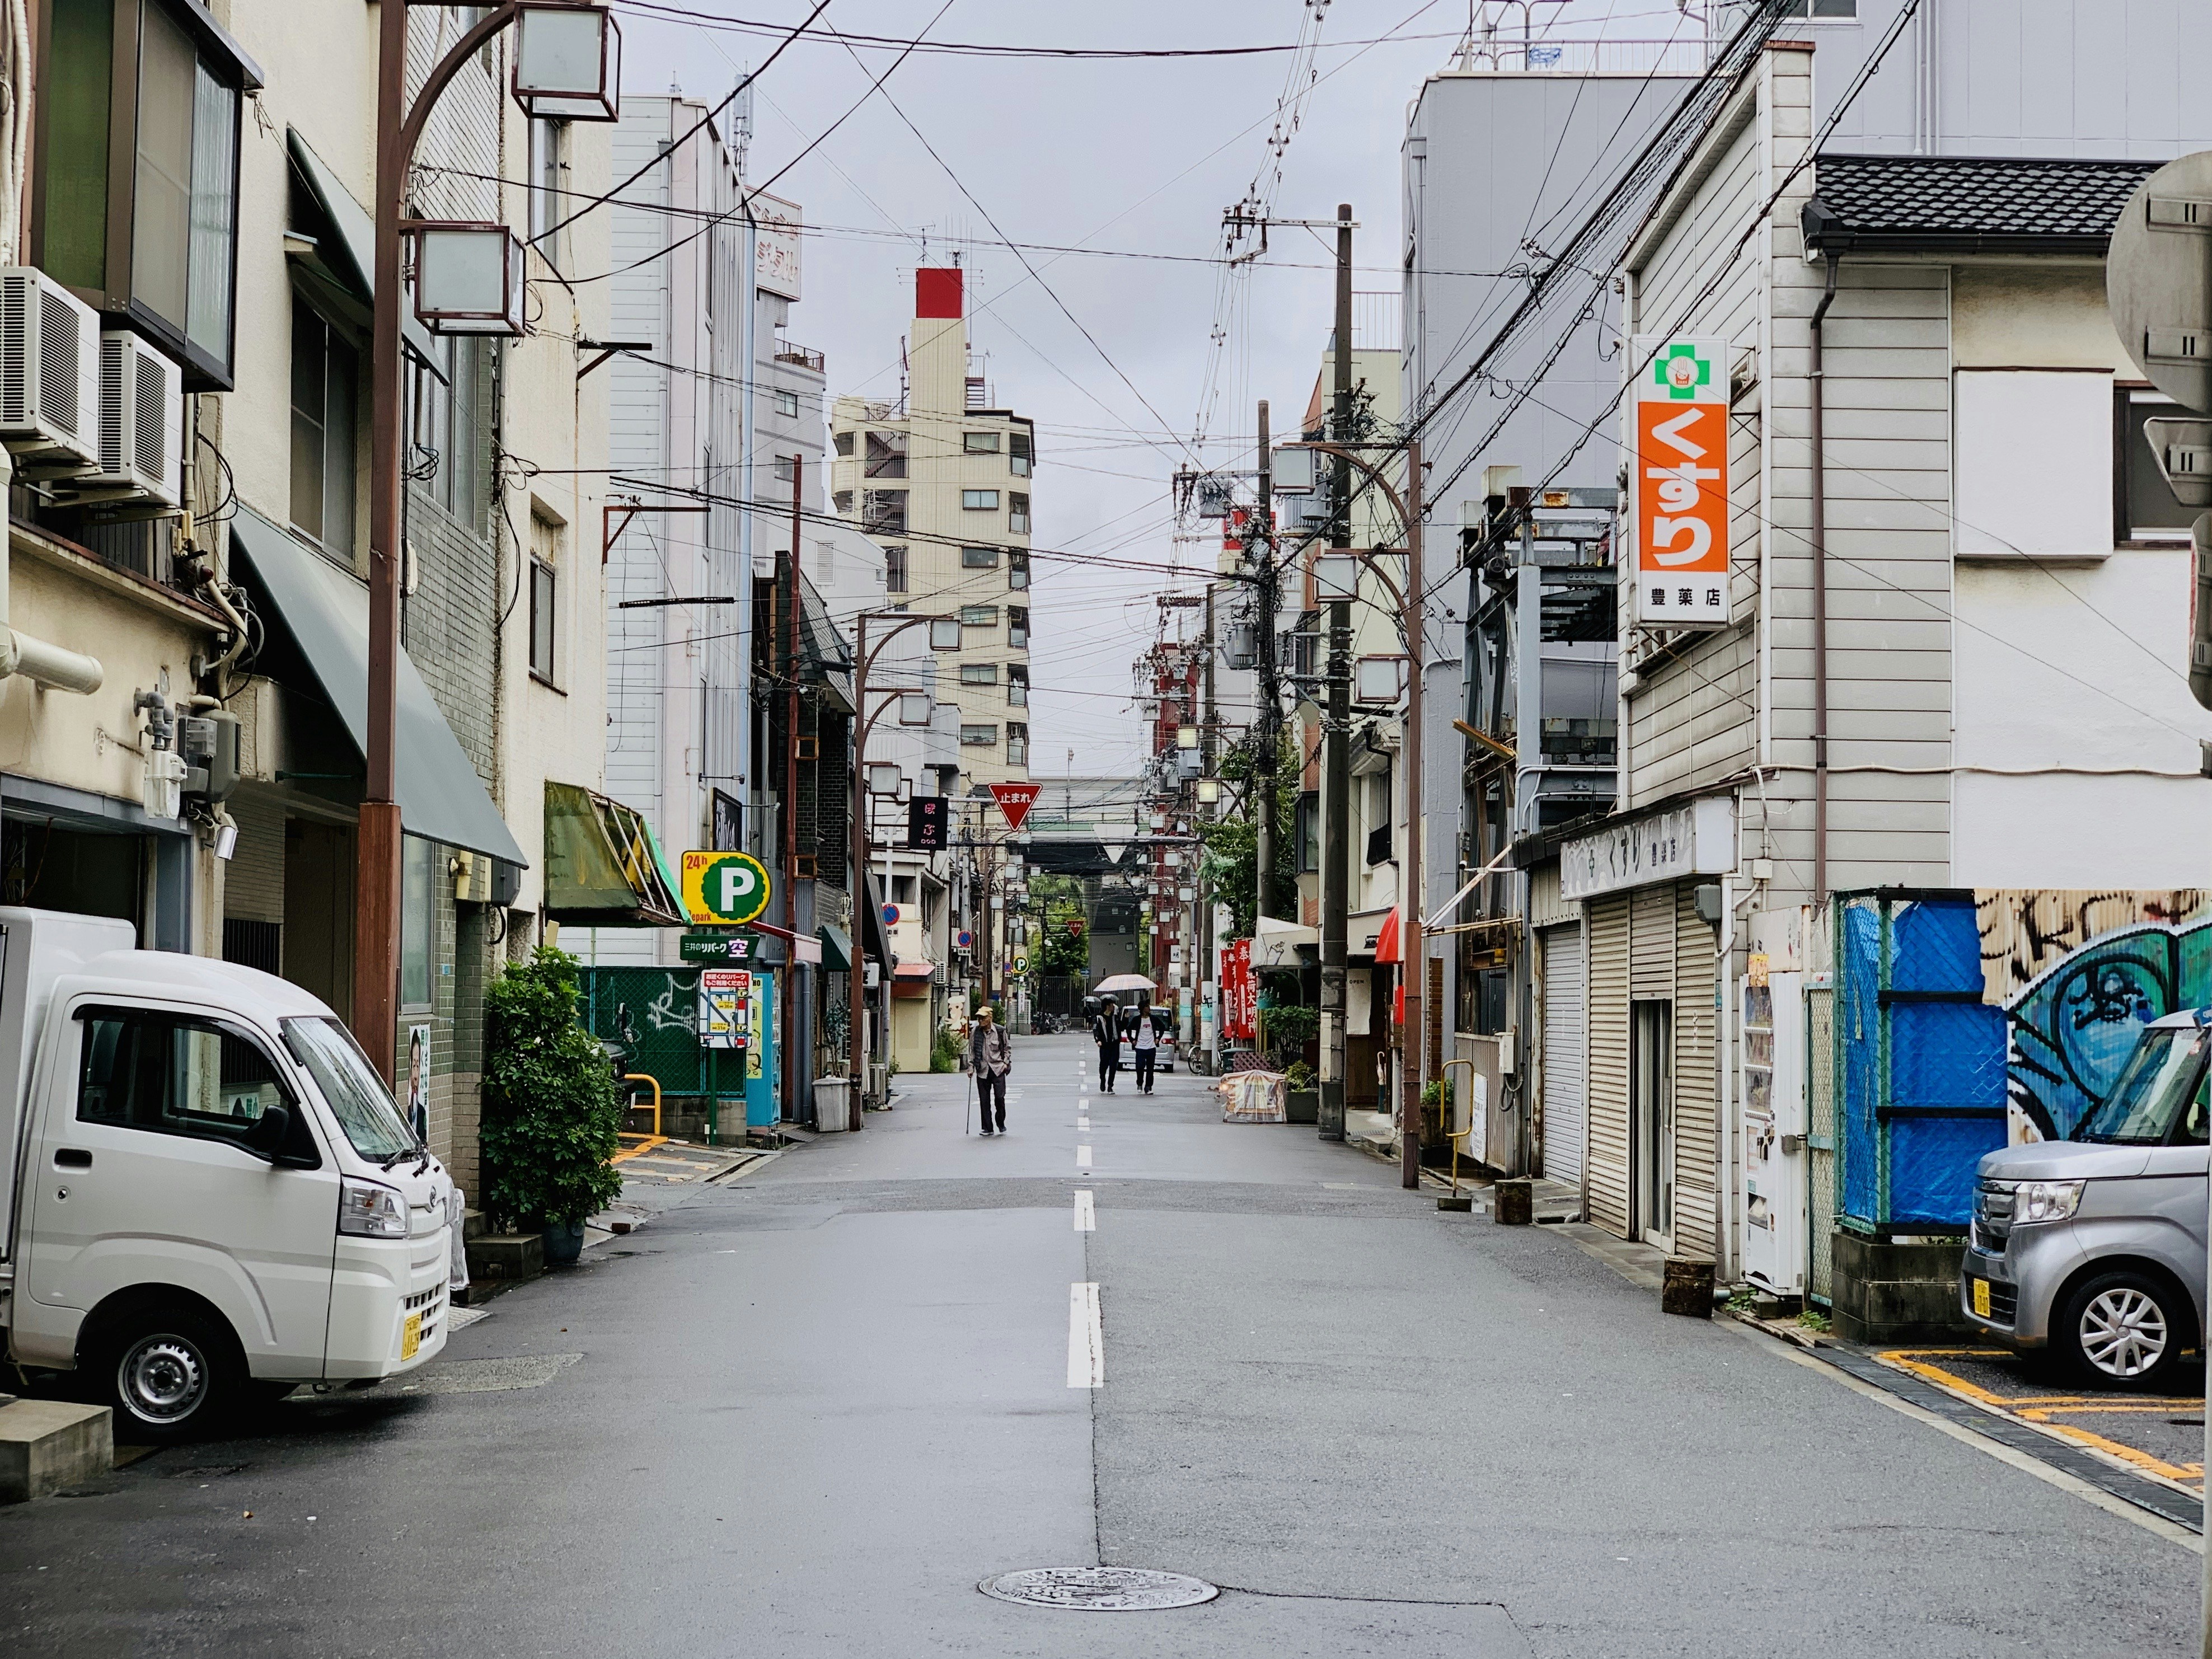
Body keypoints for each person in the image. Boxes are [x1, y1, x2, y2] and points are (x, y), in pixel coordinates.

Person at [969, 1005, 1013, 1135]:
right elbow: (972, 1051)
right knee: (984, 1100)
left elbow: (1007, 1048)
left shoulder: (999, 1031)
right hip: (982, 1069)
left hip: (998, 1069)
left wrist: (1005, 1063)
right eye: (979, 1018)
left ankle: (1000, 1122)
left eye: (983, 1018)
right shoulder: (975, 1032)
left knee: (1000, 1098)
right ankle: (988, 1128)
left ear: (990, 1018)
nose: (980, 1020)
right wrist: (971, 1067)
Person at [1130, 995, 1159, 1094]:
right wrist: (1132, 1040)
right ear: (1143, 1009)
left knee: (1151, 1069)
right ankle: (1140, 1083)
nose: (1149, 1008)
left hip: (1151, 1047)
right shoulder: (1137, 1020)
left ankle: (1148, 1087)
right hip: (1140, 1047)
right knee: (1140, 1067)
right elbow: (1128, 1028)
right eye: (1147, 1006)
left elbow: (1163, 1027)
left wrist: (1158, 1038)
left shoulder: (1153, 1019)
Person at [1091, 998, 1121, 1092]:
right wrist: (1098, 1041)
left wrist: (1126, 1018)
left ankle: (1110, 1086)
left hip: (1115, 1044)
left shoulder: (1115, 1016)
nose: (1114, 1007)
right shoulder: (1099, 1017)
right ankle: (1103, 1080)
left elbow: (1122, 1027)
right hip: (1105, 1045)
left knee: (1113, 1065)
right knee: (1104, 1066)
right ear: (1108, 1006)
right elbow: (1096, 1030)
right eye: (1112, 1005)